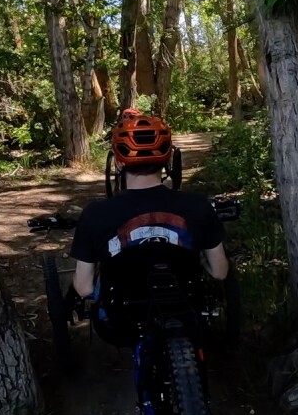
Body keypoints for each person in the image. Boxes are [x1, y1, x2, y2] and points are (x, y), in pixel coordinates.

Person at [70, 111, 228, 298]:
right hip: (184, 310)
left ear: (119, 162)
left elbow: (84, 288)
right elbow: (220, 272)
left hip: (123, 317)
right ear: (168, 158)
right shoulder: (198, 205)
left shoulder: (95, 213)